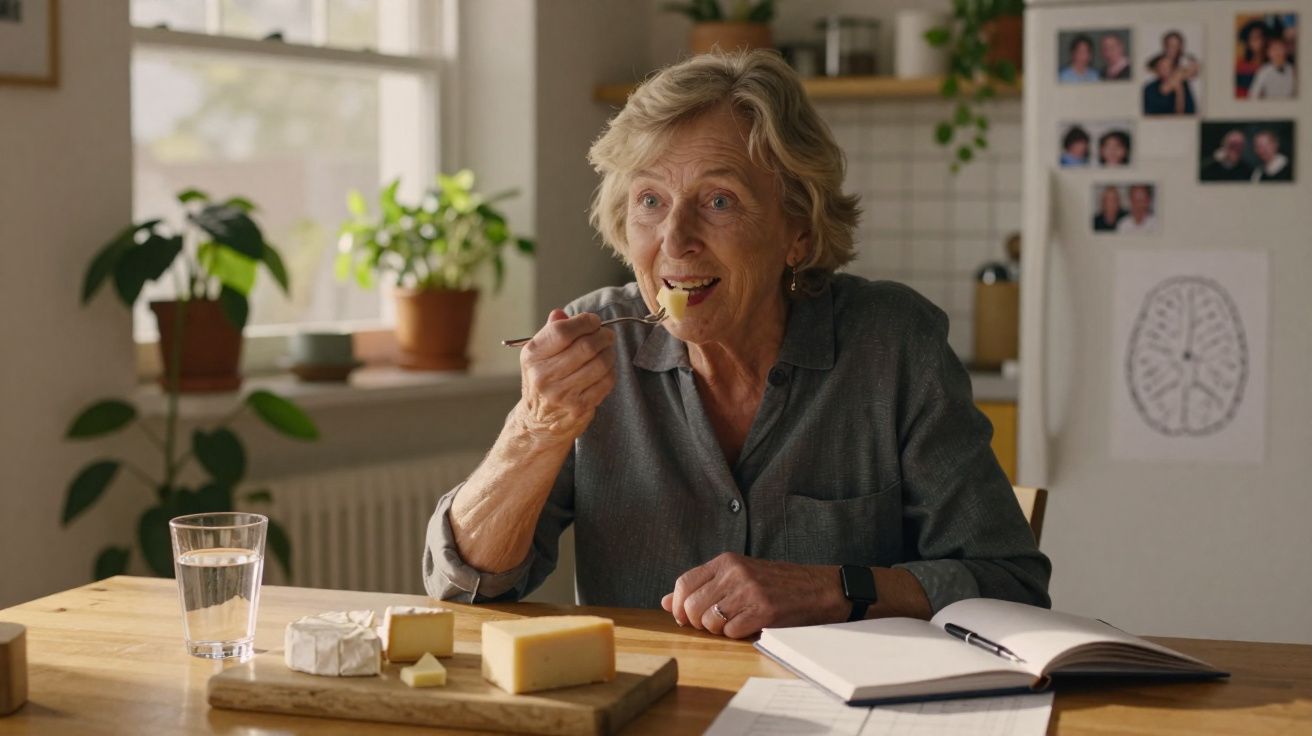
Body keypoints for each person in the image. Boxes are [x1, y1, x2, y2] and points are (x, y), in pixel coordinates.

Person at [422, 51, 1051, 638]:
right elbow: (464, 587)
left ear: (797, 233)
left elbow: (1011, 585)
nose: (675, 239)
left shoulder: (891, 344)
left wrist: (835, 588)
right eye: (650, 200)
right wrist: (534, 429)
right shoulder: (595, 345)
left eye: (719, 201)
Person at [1236, 19, 1270, 98]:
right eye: (1254, 38)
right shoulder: (1240, 66)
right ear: (1247, 42)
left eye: (1261, 37)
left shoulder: (1272, 65)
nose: (1259, 41)